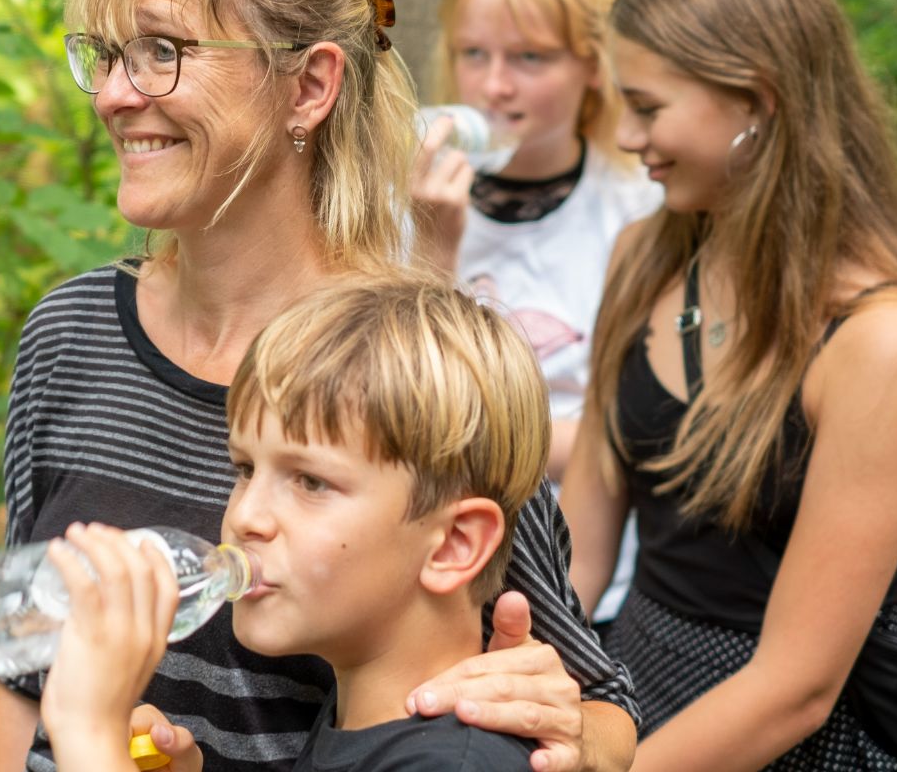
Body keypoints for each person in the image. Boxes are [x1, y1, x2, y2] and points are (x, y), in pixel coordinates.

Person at [0, 0, 639, 772]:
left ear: (310, 85)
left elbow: (603, 718)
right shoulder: (72, 332)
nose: (118, 95)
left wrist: (564, 730)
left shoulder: (409, 365)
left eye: (164, 52)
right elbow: (23, 678)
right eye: (107, 54)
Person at [560, 0, 897, 769]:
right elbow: (580, 547)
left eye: (647, 108)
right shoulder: (645, 257)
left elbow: (797, 685)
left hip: (786, 743)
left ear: (756, 100)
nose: (629, 138)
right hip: (630, 691)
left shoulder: (885, 341)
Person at [38, 276, 551, 772]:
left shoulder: (450, 765)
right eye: (244, 469)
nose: (244, 516)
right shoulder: (359, 728)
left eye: (310, 482)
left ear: (453, 545)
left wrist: (89, 736)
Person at [411, 0, 659, 630]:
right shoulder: (404, 203)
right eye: (473, 53)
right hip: (430, 585)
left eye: (529, 58)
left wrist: (480, 434)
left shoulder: (639, 206)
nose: (495, 86)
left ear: (591, 63)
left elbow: (644, 437)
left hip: (597, 591)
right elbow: (387, 411)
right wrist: (433, 254)